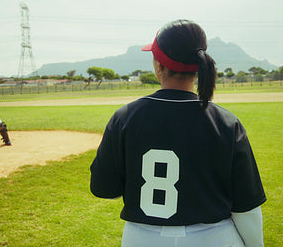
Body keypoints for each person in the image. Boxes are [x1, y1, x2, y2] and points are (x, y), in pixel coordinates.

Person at [90, 20, 266, 247]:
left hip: (142, 239)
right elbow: (246, 207)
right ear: (197, 65)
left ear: (159, 66)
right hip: (213, 239)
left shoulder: (124, 117)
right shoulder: (226, 122)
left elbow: (103, 188)